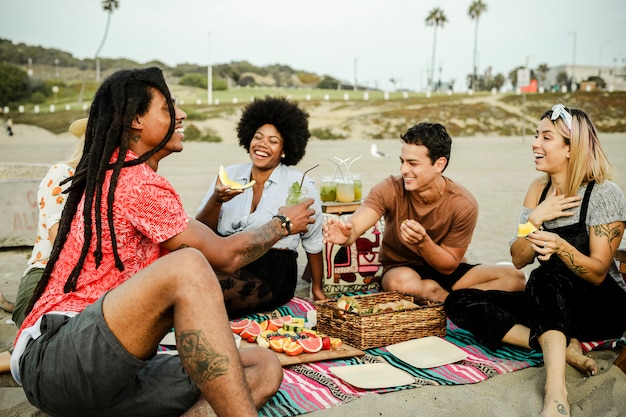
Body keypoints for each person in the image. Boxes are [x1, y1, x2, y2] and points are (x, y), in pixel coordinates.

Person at [10, 67, 316, 417]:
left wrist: (219, 203)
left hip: (111, 374)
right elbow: (224, 255)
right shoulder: (133, 180)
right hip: (60, 360)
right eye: (168, 110)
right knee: (189, 267)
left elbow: (197, 240)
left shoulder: (127, 176)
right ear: (135, 120)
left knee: (262, 365)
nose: (181, 115)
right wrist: (284, 223)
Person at [444, 104, 626, 417]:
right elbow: (518, 259)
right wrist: (535, 220)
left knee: (543, 277)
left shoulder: (603, 192)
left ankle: (555, 393)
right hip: (551, 304)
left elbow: (597, 273)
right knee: (459, 301)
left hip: (600, 306)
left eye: (546, 137)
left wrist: (558, 245)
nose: (535, 144)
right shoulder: (538, 190)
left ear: (571, 147)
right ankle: (562, 347)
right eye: (535, 135)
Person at [322, 122, 526, 302]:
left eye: (412, 163)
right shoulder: (389, 188)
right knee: (404, 285)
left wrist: (423, 243)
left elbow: (449, 266)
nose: (403, 170)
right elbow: (356, 225)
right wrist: (347, 234)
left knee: (515, 278)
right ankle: (457, 301)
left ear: (439, 164)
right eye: (402, 161)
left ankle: (440, 298)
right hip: (401, 270)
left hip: (446, 272)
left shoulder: (463, 203)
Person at [196, 96, 325, 316]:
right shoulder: (229, 175)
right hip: (226, 260)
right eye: (258, 137)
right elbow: (202, 231)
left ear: (285, 149)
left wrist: (317, 289)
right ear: (248, 139)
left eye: (273, 141)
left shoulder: (301, 185)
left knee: (208, 297)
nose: (262, 144)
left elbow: (313, 242)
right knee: (190, 284)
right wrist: (216, 200)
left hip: (273, 271)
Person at [0, 118, 86, 374]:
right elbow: (60, 242)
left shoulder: (117, 185)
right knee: (65, 344)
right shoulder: (64, 173)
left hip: (81, 288)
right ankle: (15, 355)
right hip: (44, 279)